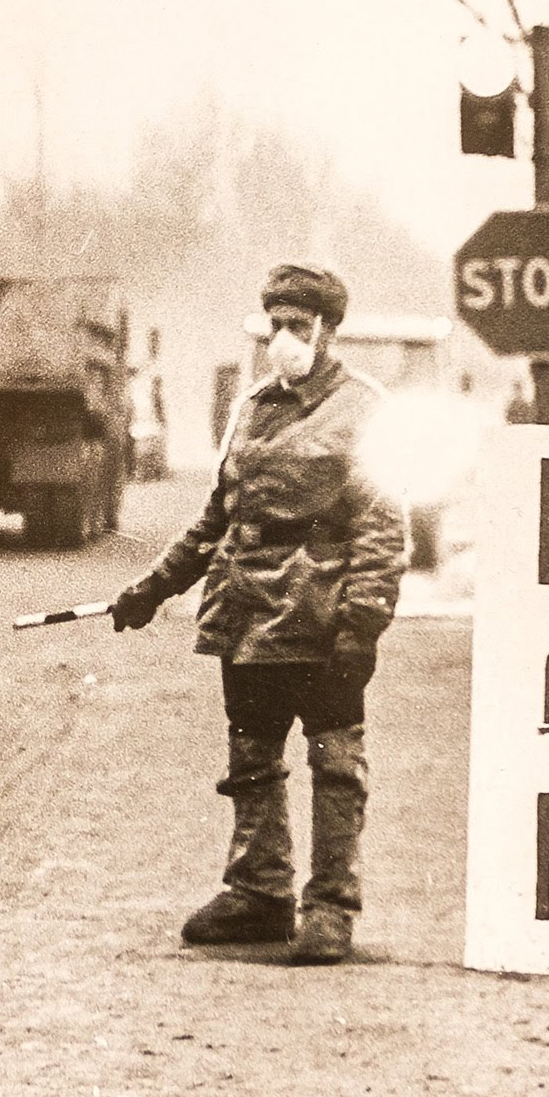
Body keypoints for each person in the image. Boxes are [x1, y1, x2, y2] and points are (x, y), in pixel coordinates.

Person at [109, 262, 407, 966]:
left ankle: (331, 905)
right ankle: (260, 891)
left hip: (322, 612)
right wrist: (152, 589)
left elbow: (382, 527)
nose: (284, 340)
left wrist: (362, 622)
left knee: (336, 763)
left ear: (328, 330)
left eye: (297, 326)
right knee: (252, 758)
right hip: (246, 611)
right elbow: (217, 515)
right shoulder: (251, 407)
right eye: (274, 325)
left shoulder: (366, 409)